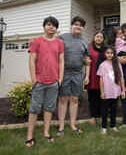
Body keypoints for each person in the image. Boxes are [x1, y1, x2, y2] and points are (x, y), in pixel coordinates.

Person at [25, 16, 64, 147]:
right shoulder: (37, 41)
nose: (51, 27)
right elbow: (31, 60)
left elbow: (61, 61)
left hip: (53, 82)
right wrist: (33, 79)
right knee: (34, 109)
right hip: (39, 81)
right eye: (48, 24)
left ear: (56, 28)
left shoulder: (59, 43)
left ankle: (46, 133)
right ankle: (29, 136)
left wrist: (60, 79)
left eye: (53, 25)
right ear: (44, 26)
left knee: (49, 108)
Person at [57, 16, 90, 135]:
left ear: (83, 28)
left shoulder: (85, 41)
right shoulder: (62, 38)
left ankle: (72, 124)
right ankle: (60, 126)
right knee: (63, 99)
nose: (78, 26)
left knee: (74, 99)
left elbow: (87, 60)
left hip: (78, 74)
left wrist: (87, 76)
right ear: (72, 25)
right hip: (64, 73)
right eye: (76, 24)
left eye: (81, 25)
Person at [97, 46, 126, 134]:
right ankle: (104, 127)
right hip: (106, 92)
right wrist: (102, 92)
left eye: (111, 53)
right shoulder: (102, 65)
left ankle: (113, 125)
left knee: (114, 109)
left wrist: (123, 90)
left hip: (115, 92)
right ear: (105, 54)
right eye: (108, 53)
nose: (109, 55)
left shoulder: (117, 64)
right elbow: (101, 80)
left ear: (114, 54)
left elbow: (121, 78)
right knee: (105, 110)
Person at [85, 31, 105, 124]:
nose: (99, 38)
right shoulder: (89, 48)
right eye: (97, 36)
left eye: (101, 37)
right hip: (92, 75)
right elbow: (87, 62)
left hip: (103, 76)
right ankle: (93, 116)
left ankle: (101, 116)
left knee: (102, 97)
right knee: (92, 97)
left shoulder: (105, 49)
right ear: (94, 38)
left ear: (103, 39)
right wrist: (87, 76)